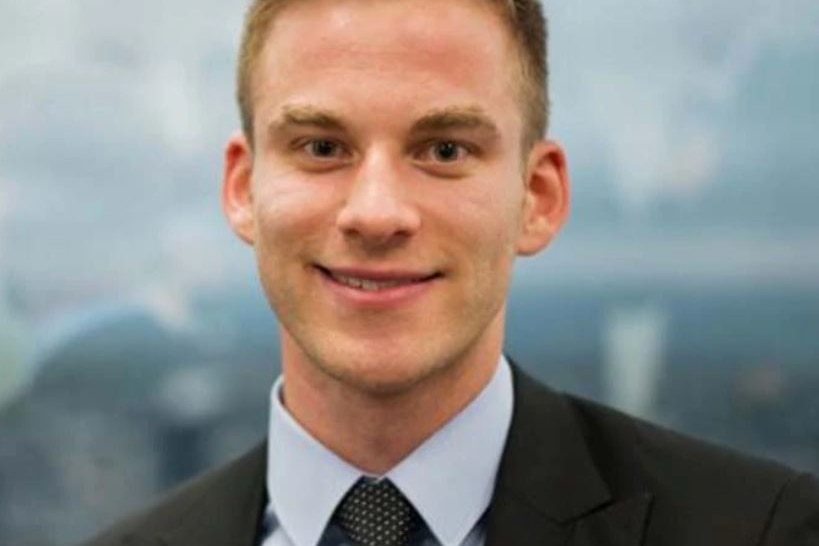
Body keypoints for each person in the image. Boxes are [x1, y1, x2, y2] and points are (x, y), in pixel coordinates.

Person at [80, 0, 819, 544]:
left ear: (537, 197)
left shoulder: (761, 529)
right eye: (320, 147)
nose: (375, 213)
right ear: (242, 189)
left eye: (443, 151)